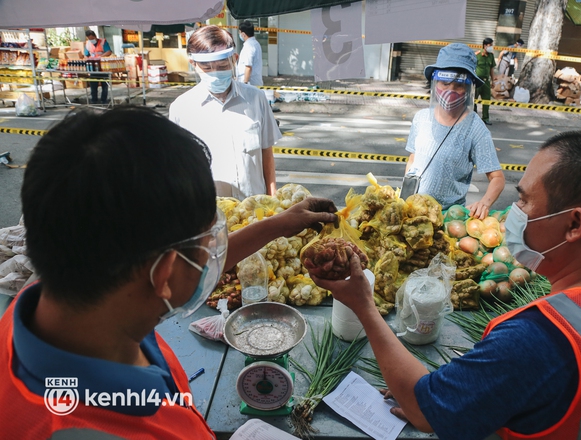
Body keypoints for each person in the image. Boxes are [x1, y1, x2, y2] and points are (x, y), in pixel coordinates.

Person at [0, 106, 337, 438]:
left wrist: (278, 225)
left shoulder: (68, 287)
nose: (213, 258)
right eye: (209, 247)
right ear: (163, 274)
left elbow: (175, 268)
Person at [313, 131, 581, 439]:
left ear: (574, 224)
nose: (515, 212)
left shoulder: (539, 338)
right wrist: (461, 386)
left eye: (525, 200)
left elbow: (421, 411)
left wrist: (363, 305)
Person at [169, 25, 280, 200]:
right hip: (210, 217)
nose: (215, 73)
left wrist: (273, 203)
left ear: (234, 60)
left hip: (255, 213)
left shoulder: (256, 99)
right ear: (194, 65)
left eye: (222, 66)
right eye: (207, 68)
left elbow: (267, 155)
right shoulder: (181, 109)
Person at [405, 43, 504, 219]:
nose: (450, 91)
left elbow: (497, 178)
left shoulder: (475, 129)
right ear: (435, 84)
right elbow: (413, 159)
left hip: (448, 219)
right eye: (444, 83)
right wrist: (406, 197)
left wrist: (484, 203)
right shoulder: (421, 118)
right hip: (414, 212)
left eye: (458, 85)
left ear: (468, 88)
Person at [83, 30, 112, 105]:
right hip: (93, 67)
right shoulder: (88, 44)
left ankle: (104, 100)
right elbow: (86, 54)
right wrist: (88, 59)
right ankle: (94, 100)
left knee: (104, 85)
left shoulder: (103, 42)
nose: (91, 40)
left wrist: (100, 57)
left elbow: (109, 52)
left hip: (103, 66)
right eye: (89, 39)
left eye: (92, 38)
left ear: (95, 37)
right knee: (93, 85)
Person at [473, 38, 497, 125]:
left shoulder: (491, 56)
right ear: (485, 45)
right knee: (474, 100)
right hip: (477, 81)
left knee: (487, 100)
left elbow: (491, 68)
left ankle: (485, 118)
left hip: (486, 82)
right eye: (490, 45)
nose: (491, 47)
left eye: (491, 45)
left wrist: (493, 80)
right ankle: (474, 118)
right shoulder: (477, 55)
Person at [236, 21, 263, 87]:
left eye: (239, 32)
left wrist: (245, 84)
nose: (239, 34)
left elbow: (248, 67)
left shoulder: (249, 46)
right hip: (255, 81)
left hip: (249, 83)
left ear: (243, 34)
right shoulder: (256, 43)